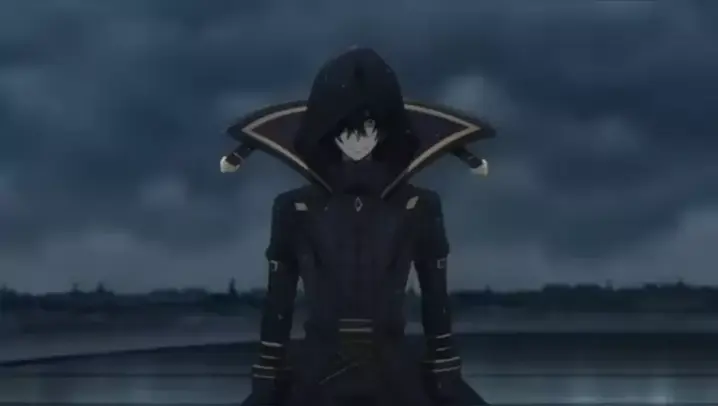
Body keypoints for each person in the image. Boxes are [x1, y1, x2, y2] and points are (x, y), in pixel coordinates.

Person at [221, 47, 492, 406]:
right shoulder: (293, 208)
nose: (358, 139)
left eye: (369, 127)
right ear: (327, 130)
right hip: (317, 366)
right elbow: (278, 303)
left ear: (385, 129)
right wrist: (267, 374)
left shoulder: (419, 206)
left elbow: (435, 299)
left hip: (393, 364)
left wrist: (445, 370)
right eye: (345, 129)